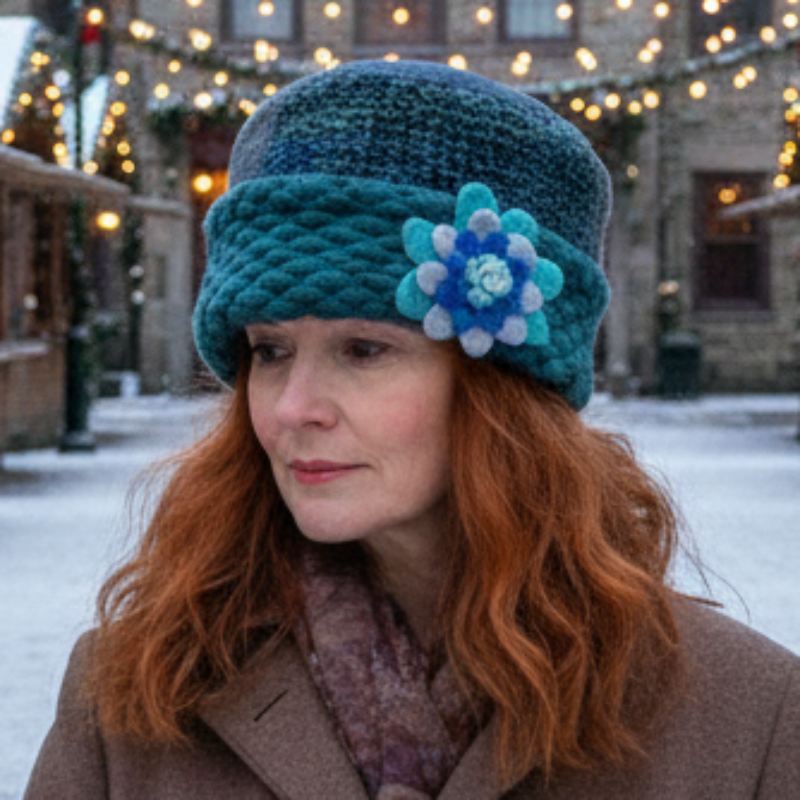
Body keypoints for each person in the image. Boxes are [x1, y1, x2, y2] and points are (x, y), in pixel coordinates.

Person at [26, 60, 800, 800]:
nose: (294, 408)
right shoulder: (137, 693)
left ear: (505, 389)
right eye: (270, 351)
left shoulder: (747, 722)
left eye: (364, 350)